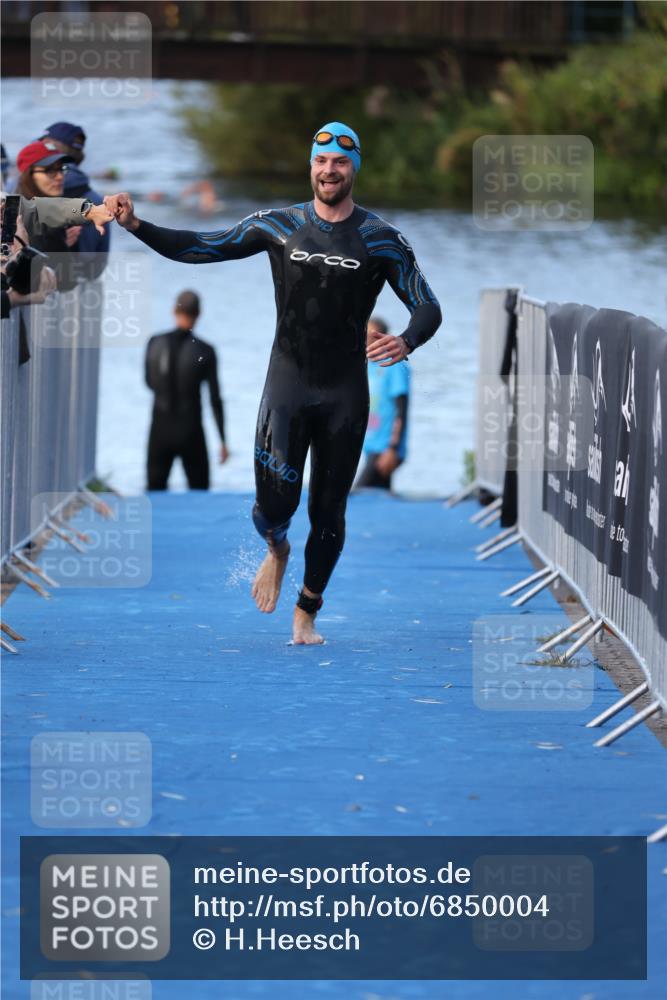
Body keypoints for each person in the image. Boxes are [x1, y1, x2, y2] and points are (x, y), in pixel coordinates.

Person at [105, 121, 441, 644]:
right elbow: (202, 245)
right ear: (311, 166)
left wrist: (406, 341)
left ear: (355, 168)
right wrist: (137, 225)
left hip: (344, 395)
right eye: (321, 162)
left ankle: (306, 612)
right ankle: (277, 548)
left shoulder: (382, 240)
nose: (329, 171)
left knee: (329, 510)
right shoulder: (279, 226)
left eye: (340, 163)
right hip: (287, 385)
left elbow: (427, 304)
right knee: (275, 504)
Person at [144, 290, 229, 491]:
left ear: (174, 310)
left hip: (160, 429)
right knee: (200, 493)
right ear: (198, 314)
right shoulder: (205, 350)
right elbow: (215, 398)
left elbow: (149, 382)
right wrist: (223, 441)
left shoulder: (154, 342)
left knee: (155, 494)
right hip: (191, 431)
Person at [39, 123, 110, 277]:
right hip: (87, 288)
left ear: (49, 146)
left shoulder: (28, 186)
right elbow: (98, 265)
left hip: (43, 286)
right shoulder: (97, 199)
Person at [355, 316, 410, 491]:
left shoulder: (393, 365)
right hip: (371, 446)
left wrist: (392, 449)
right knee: (380, 498)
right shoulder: (367, 365)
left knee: (356, 495)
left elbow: (402, 409)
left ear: (381, 338)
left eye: (369, 334)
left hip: (385, 449)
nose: (364, 338)